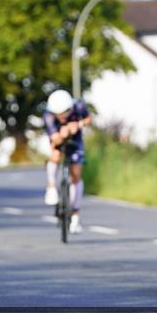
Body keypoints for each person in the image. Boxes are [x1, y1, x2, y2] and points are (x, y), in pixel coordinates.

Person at [42, 89, 92, 234]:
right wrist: (62, 134)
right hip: (58, 133)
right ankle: (51, 186)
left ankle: (75, 214)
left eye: (64, 114)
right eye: (58, 114)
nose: (61, 117)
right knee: (56, 155)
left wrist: (78, 125)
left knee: (76, 174)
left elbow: (88, 118)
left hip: (76, 136)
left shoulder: (79, 106)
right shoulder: (49, 116)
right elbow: (54, 139)